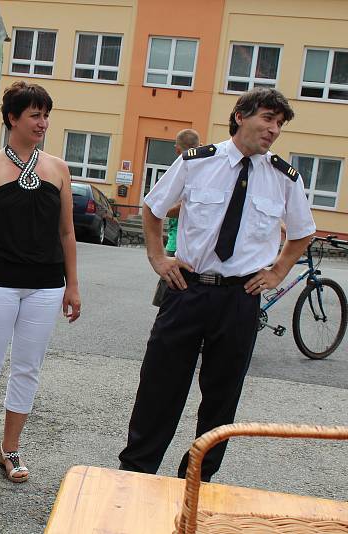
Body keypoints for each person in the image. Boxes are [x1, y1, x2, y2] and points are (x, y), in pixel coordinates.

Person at [119, 88, 316, 482]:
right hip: (187, 289)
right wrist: (158, 258)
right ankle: (135, 473)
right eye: (267, 118)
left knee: (221, 398)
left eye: (279, 124)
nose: (273, 130)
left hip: (240, 299)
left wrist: (277, 272)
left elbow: (302, 233)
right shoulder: (198, 162)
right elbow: (153, 208)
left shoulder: (282, 177)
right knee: (160, 386)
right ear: (241, 116)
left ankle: (197, 480)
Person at [0, 81, 81, 486]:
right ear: (12, 117)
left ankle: (9, 448)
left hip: (46, 285)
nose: (42, 122)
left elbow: (66, 233)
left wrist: (72, 285)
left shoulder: (58, 168)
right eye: (34, 115)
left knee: (28, 368)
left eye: (46, 115)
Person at [152, 128, 200, 307]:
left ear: (177, 150)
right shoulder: (203, 168)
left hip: (177, 246)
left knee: (169, 297)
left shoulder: (185, 170)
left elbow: (165, 208)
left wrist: (166, 209)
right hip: (193, 247)